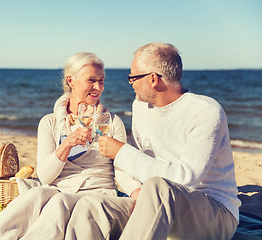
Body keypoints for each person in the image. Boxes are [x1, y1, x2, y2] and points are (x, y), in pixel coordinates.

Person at [0, 52, 140, 240]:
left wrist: (136, 193)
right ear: (71, 81)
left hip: (97, 192)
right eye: (91, 80)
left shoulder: (111, 122)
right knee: (33, 196)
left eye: (101, 80)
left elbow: (122, 170)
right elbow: (44, 176)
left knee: (59, 202)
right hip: (59, 188)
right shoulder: (49, 123)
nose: (98, 87)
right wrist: (66, 144)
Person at [98, 42, 241, 239]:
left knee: (158, 187)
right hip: (156, 200)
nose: (130, 83)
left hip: (215, 211)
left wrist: (121, 152)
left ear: (153, 79)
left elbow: (185, 178)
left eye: (132, 77)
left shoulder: (206, 112)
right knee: (92, 208)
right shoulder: (141, 107)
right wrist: (135, 191)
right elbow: (136, 164)